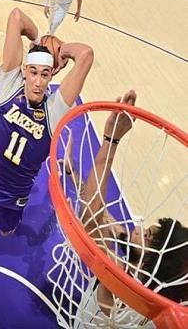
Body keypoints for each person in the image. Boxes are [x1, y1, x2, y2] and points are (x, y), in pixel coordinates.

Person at [68, 90, 188, 326]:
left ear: (154, 260)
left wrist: (111, 139)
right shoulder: (167, 297)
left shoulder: (118, 285)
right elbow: (102, 214)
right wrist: (72, 173)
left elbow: (92, 214)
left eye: (147, 235)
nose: (139, 228)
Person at [0, 10, 94, 236]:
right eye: (33, 73)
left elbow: (86, 55)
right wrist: (40, 41)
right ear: (24, 71)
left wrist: (61, 51)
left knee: (6, 231)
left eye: (45, 74)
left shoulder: (54, 110)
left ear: (52, 76)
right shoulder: (10, 87)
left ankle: (6, 226)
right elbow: (16, 17)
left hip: (14, 198)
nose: (38, 82)